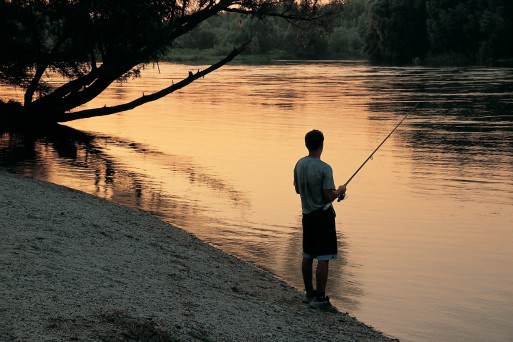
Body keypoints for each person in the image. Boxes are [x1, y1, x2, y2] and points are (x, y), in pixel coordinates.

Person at [293, 129, 346, 312]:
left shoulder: (299, 164)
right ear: (321, 145)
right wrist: (339, 191)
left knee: (308, 255)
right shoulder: (325, 168)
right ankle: (320, 298)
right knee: (324, 257)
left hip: (307, 216)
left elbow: (298, 190)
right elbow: (327, 196)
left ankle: (309, 294)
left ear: (307, 144)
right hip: (322, 218)